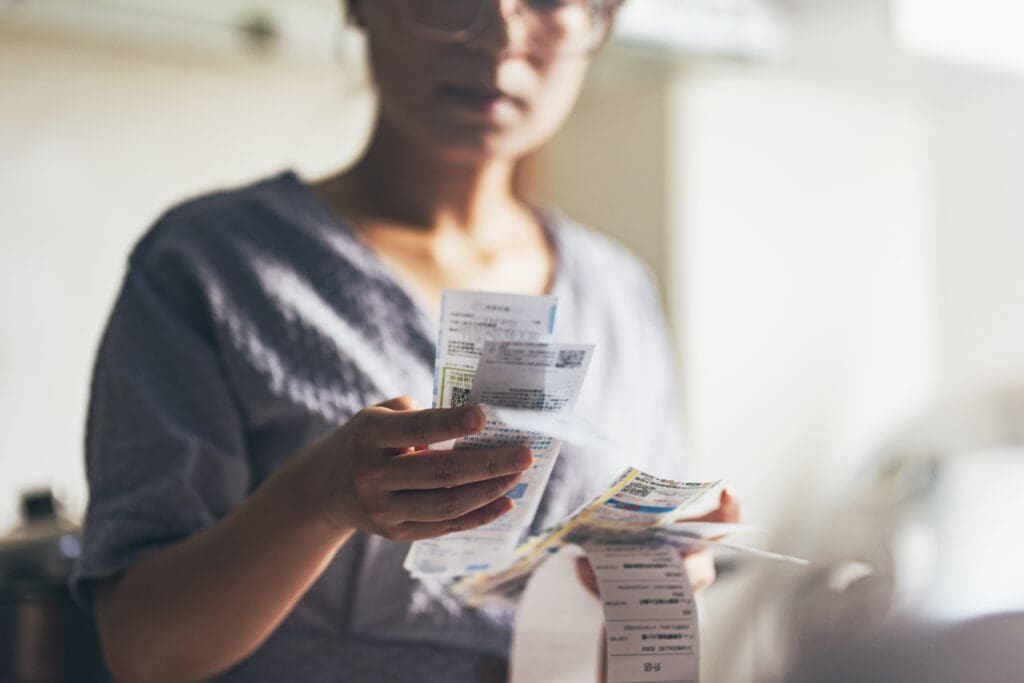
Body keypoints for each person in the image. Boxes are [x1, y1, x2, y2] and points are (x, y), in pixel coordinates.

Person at [72, 1, 740, 681]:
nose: (501, 35)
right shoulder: (210, 266)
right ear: (362, 9)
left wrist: (651, 596)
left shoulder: (618, 291)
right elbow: (142, 648)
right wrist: (317, 497)